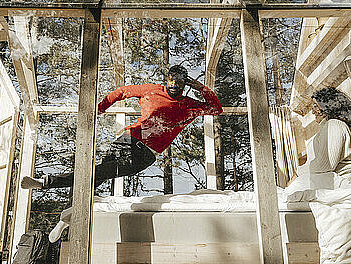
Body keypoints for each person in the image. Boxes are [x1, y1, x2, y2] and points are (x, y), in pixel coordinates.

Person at [21, 64, 222, 191]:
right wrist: (99, 109)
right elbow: (121, 92)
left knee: (99, 174)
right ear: (165, 80)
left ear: (185, 85)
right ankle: (46, 183)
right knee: (99, 173)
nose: (174, 86)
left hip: (147, 155)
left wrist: (200, 87)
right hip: (129, 140)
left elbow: (216, 109)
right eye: (171, 82)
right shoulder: (151, 90)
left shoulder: (189, 105)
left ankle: (56, 195)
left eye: (179, 83)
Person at [295, 87, 351, 183]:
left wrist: (298, 173)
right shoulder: (327, 127)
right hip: (326, 180)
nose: (313, 111)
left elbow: (326, 164)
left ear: (328, 106)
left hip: (338, 182)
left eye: (316, 106)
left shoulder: (335, 125)